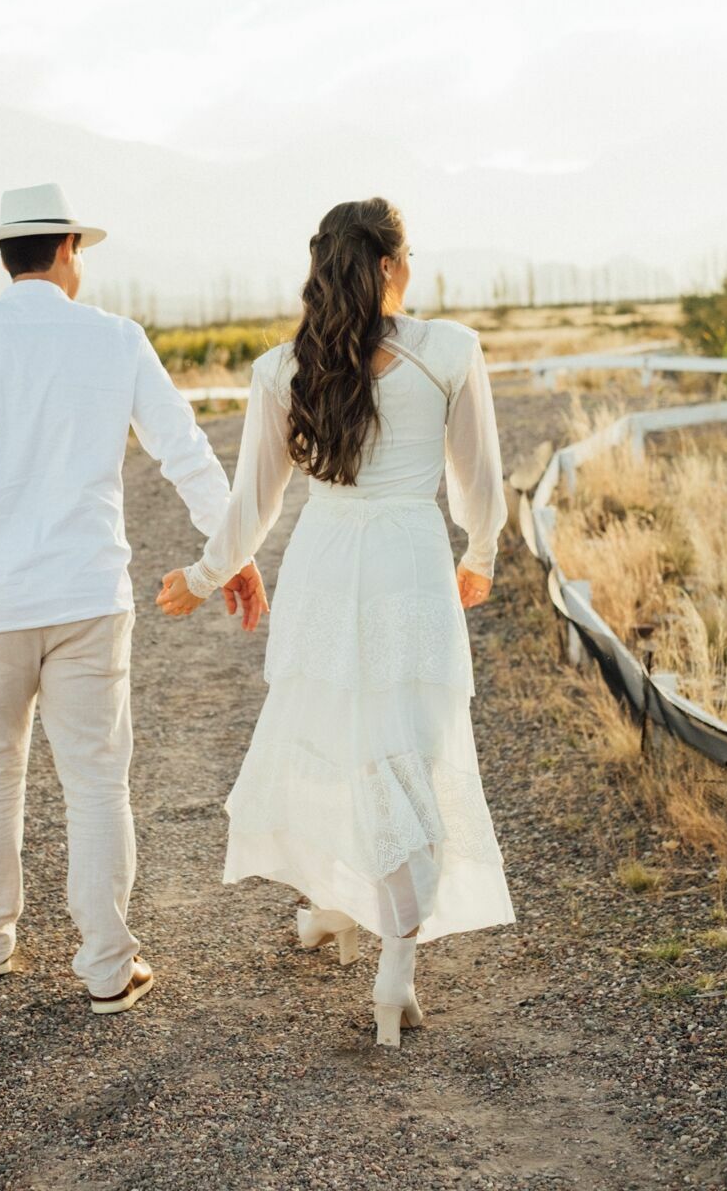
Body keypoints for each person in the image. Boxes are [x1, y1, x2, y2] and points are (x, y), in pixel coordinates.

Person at [0, 181, 266, 1014]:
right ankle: (105, 967)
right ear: (65, 249)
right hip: (89, 597)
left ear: (6, 254)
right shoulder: (116, 340)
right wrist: (230, 549)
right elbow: (184, 451)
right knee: (96, 784)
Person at [157, 197, 514, 1047]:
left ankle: (345, 911)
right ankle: (389, 954)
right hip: (407, 565)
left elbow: (255, 503)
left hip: (323, 562)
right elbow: (482, 487)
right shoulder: (449, 352)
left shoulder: (283, 368)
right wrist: (481, 555)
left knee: (339, 742)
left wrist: (206, 575)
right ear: (391, 265)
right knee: (405, 753)